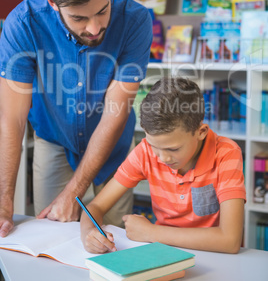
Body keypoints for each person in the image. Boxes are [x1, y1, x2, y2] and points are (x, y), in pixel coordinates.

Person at [0, 0, 152, 237]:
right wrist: (4, 197)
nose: (94, 28)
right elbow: (12, 118)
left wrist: (75, 193)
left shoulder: (135, 20)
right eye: (79, 18)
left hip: (114, 147)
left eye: (102, 11)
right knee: (53, 236)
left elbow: (115, 113)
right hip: (53, 141)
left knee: (111, 243)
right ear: (52, 2)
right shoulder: (23, 24)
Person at [80, 77, 246, 254]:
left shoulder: (226, 153)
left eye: (173, 148)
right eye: (154, 146)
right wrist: (88, 234)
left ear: (201, 132)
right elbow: (95, 207)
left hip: (213, 255)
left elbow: (230, 240)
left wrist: (152, 232)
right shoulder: (145, 152)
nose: (163, 158)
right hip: (163, 253)